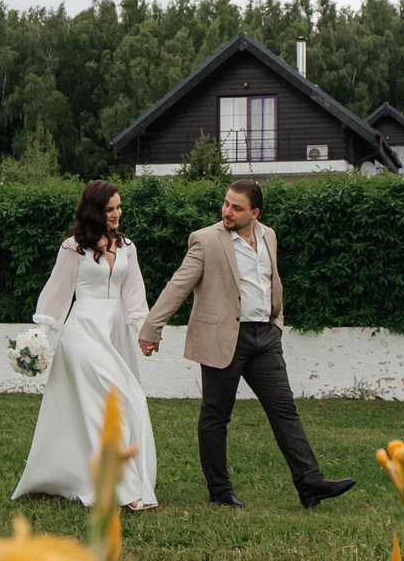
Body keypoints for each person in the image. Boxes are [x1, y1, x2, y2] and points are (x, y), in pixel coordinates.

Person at [138, 178, 354, 510]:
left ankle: (310, 483)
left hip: (265, 338)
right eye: (226, 204)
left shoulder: (268, 235)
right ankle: (220, 491)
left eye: (236, 207)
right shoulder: (206, 240)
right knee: (216, 415)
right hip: (224, 338)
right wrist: (152, 328)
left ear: (254, 212)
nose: (227, 211)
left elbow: (271, 280)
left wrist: (277, 321)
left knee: (284, 410)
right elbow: (178, 285)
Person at [14, 180, 159, 509]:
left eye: (119, 207)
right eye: (110, 209)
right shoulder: (73, 248)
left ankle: (114, 479)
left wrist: (146, 333)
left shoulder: (127, 248)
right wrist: (40, 337)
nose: (117, 214)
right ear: (94, 212)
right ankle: (122, 489)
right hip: (82, 332)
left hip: (115, 333)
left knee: (132, 402)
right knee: (109, 406)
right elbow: (56, 295)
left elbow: (135, 300)